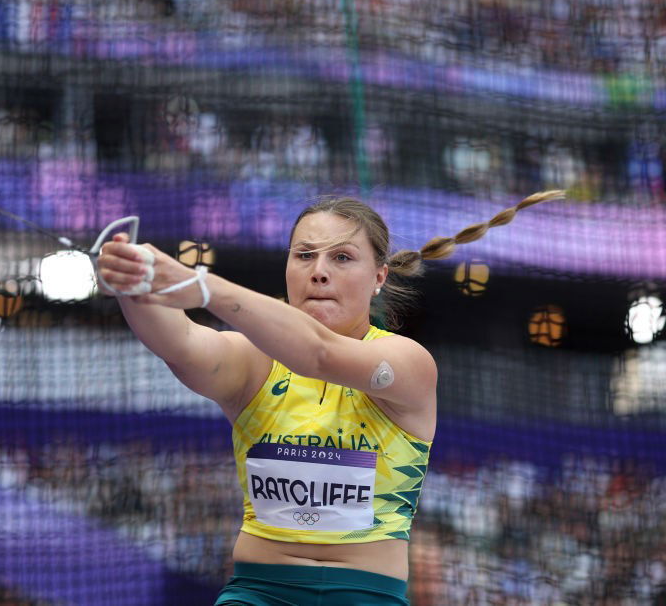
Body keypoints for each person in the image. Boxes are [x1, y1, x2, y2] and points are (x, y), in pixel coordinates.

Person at [96, 190, 564, 605]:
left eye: (341, 258)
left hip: (365, 595)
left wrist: (197, 284)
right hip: (258, 593)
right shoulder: (253, 362)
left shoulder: (406, 361)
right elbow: (179, 343)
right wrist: (133, 285)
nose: (319, 272)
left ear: (379, 276)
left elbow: (318, 354)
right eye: (304, 256)